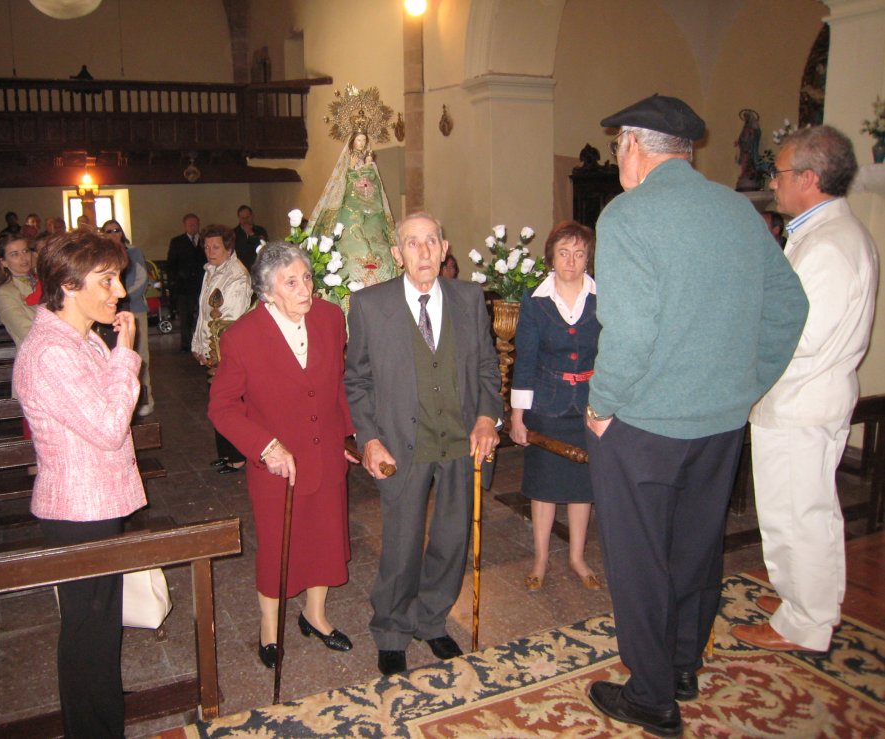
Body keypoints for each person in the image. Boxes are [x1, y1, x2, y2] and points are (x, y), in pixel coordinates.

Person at [584, 95, 808, 737]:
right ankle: (683, 665)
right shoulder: (738, 210)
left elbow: (629, 333)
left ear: (634, 145)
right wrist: (746, 383)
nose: (619, 156)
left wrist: (601, 404)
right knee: (694, 550)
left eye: (620, 145)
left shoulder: (628, 215)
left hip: (644, 426)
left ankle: (653, 696)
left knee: (640, 560)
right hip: (720, 424)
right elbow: (789, 306)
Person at [734, 126, 878, 654]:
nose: (773, 182)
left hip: (803, 400)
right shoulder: (822, 235)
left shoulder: (830, 245)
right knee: (802, 511)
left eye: (780, 173)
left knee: (799, 516)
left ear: (810, 179)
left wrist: (742, 340)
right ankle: (805, 601)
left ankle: (804, 623)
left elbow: (803, 334)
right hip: (800, 398)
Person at [345, 212, 502, 677]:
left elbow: (488, 368)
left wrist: (486, 418)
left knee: (453, 539)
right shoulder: (370, 305)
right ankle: (392, 628)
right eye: (412, 243)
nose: (424, 251)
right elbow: (357, 381)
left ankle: (431, 619)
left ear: (444, 247)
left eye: (431, 241)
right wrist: (370, 440)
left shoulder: (469, 299)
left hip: (460, 440)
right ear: (398, 254)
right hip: (401, 442)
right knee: (401, 542)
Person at [14, 230, 145, 738]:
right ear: (68, 285)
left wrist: (113, 352)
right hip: (77, 510)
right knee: (89, 633)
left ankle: (101, 719)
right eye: (107, 280)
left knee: (99, 627)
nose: (120, 291)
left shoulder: (80, 336)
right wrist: (125, 352)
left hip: (95, 504)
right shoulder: (51, 352)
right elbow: (109, 427)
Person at [208, 241, 357, 669]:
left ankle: (315, 615)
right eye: (291, 282)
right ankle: (269, 628)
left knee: (326, 536)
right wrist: (264, 445)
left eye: (307, 277)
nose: (305, 288)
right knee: (278, 546)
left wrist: (348, 434)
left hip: (326, 450)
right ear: (267, 291)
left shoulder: (330, 318)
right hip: (277, 462)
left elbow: (338, 382)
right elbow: (221, 407)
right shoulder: (241, 337)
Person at [509, 220, 602, 592]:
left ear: (588, 258)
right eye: (564, 253)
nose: (571, 261)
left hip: (590, 404)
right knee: (545, 485)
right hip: (546, 404)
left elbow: (611, 354)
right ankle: (541, 559)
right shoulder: (535, 301)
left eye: (579, 254)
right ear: (551, 257)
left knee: (583, 485)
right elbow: (525, 360)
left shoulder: (603, 297)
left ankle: (577, 557)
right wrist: (517, 416)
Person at [307, 128, 398, 305]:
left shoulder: (368, 157)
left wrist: (369, 168)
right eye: (359, 140)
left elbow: (373, 181)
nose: (361, 143)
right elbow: (345, 178)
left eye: (364, 140)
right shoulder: (349, 159)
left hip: (372, 209)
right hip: (351, 208)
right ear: (352, 142)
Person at [191, 224, 252, 474]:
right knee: (217, 403)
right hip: (212, 349)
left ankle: (238, 456)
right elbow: (204, 314)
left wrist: (215, 352)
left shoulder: (237, 276)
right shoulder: (212, 271)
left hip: (226, 351)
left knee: (230, 404)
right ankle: (225, 453)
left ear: (229, 248)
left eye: (215, 247)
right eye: (206, 247)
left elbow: (229, 320)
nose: (210, 251)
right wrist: (198, 344)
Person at [102, 220, 154, 416]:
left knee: (140, 354)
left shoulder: (134, 252)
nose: (113, 234)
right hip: (108, 310)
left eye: (117, 230)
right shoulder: (100, 256)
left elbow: (142, 279)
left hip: (134, 307)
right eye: (109, 231)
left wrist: (122, 296)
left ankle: (145, 399)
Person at [166, 213, 207, 351]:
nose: (193, 227)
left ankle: (202, 342)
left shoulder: (204, 241)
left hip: (202, 285)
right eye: (190, 225)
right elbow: (171, 264)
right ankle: (186, 344)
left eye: (195, 224)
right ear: (185, 226)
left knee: (203, 314)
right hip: (184, 286)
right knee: (185, 317)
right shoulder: (177, 242)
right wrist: (175, 281)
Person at [232, 205, 269, 272]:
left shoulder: (260, 230)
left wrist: (251, 233)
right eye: (243, 218)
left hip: (258, 269)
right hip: (240, 270)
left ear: (252, 216)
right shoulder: (233, 233)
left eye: (247, 217)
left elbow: (264, 249)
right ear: (239, 218)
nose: (245, 220)